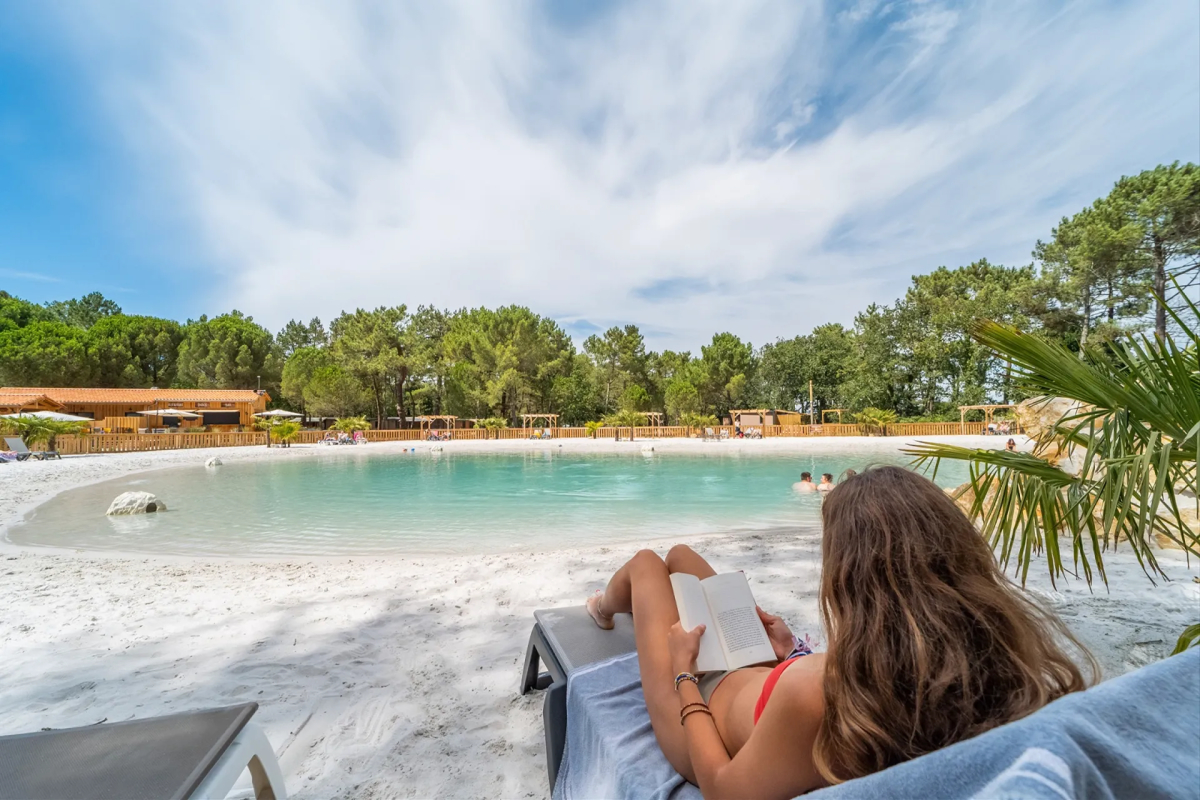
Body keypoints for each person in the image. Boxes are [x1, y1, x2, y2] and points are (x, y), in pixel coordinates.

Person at [584, 466, 1092, 798]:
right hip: (764, 671)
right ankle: (618, 604)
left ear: (847, 577)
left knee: (649, 563)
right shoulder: (993, 662)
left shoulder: (821, 690)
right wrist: (793, 651)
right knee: (683, 560)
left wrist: (685, 675)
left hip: (704, 712)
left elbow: (722, 790)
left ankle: (604, 608)